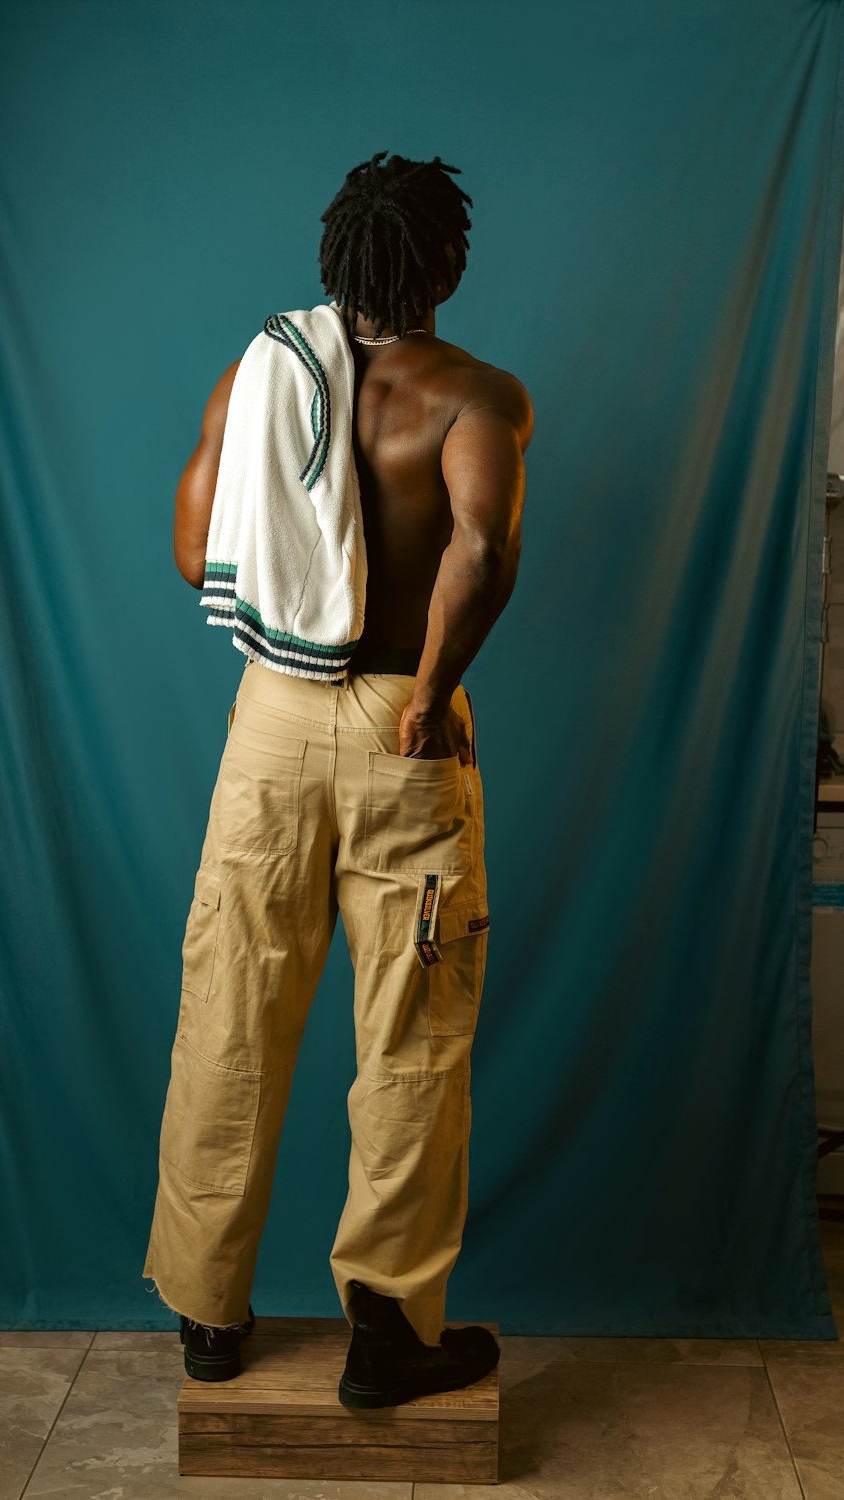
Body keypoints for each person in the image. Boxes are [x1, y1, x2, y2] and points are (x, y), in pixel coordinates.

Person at [142, 150, 534, 1410]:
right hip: (398, 729)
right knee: (411, 1034)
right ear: (449, 263)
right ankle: (388, 1333)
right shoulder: (476, 395)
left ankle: (208, 1314)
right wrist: (423, 694)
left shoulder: (259, 376)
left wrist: (289, 637)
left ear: (337, 262)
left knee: (230, 1012)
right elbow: (480, 545)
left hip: (268, 718)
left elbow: (199, 545)